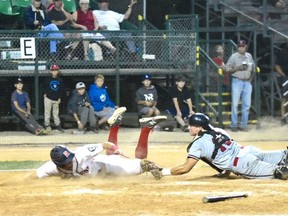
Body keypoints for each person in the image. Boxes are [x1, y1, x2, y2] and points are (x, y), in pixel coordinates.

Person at [151, 113, 288, 181]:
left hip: (244, 163)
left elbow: (185, 168)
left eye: (191, 125)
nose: (188, 128)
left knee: (281, 172)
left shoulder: (197, 144)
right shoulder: (218, 130)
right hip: (250, 151)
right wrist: (225, 173)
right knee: (284, 154)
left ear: (199, 128)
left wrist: (164, 172)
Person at [36, 108, 168, 178]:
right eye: (67, 162)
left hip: (106, 166)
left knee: (140, 164)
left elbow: (104, 145)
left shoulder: (80, 154)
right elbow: (36, 175)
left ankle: (143, 129)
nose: (70, 161)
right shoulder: (52, 167)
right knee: (120, 159)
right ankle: (133, 127)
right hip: (104, 173)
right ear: (59, 164)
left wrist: (116, 148)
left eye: (70, 158)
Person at [226, 40, 255, 132]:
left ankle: (243, 125)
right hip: (237, 81)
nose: (241, 47)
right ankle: (234, 125)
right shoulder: (233, 57)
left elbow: (253, 69)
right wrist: (238, 68)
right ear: (237, 47)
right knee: (235, 105)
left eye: (243, 46)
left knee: (246, 105)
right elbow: (227, 69)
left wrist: (250, 80)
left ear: (245, 47)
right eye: (239, 46)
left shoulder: (249, 56)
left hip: (247, 82)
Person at [43, 64, 64, 132]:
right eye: (53, 70)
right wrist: (44, 94)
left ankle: (57, 125)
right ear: (50, 71)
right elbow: (44, 87)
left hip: (56, 98)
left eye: (56, 70)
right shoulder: (47, 79)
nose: (54, 72)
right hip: (48, 98)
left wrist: (59, 98)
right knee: (47, 113)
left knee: (55, 113)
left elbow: (61, 90)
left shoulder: (60, 80)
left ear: (58, 71)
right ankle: (47, 125)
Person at [274, 43, 288, 122]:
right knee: (284, 97)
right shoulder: (283, 52)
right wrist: (283, 75)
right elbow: (276, 66)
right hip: (286, 77)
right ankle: (283, 116)